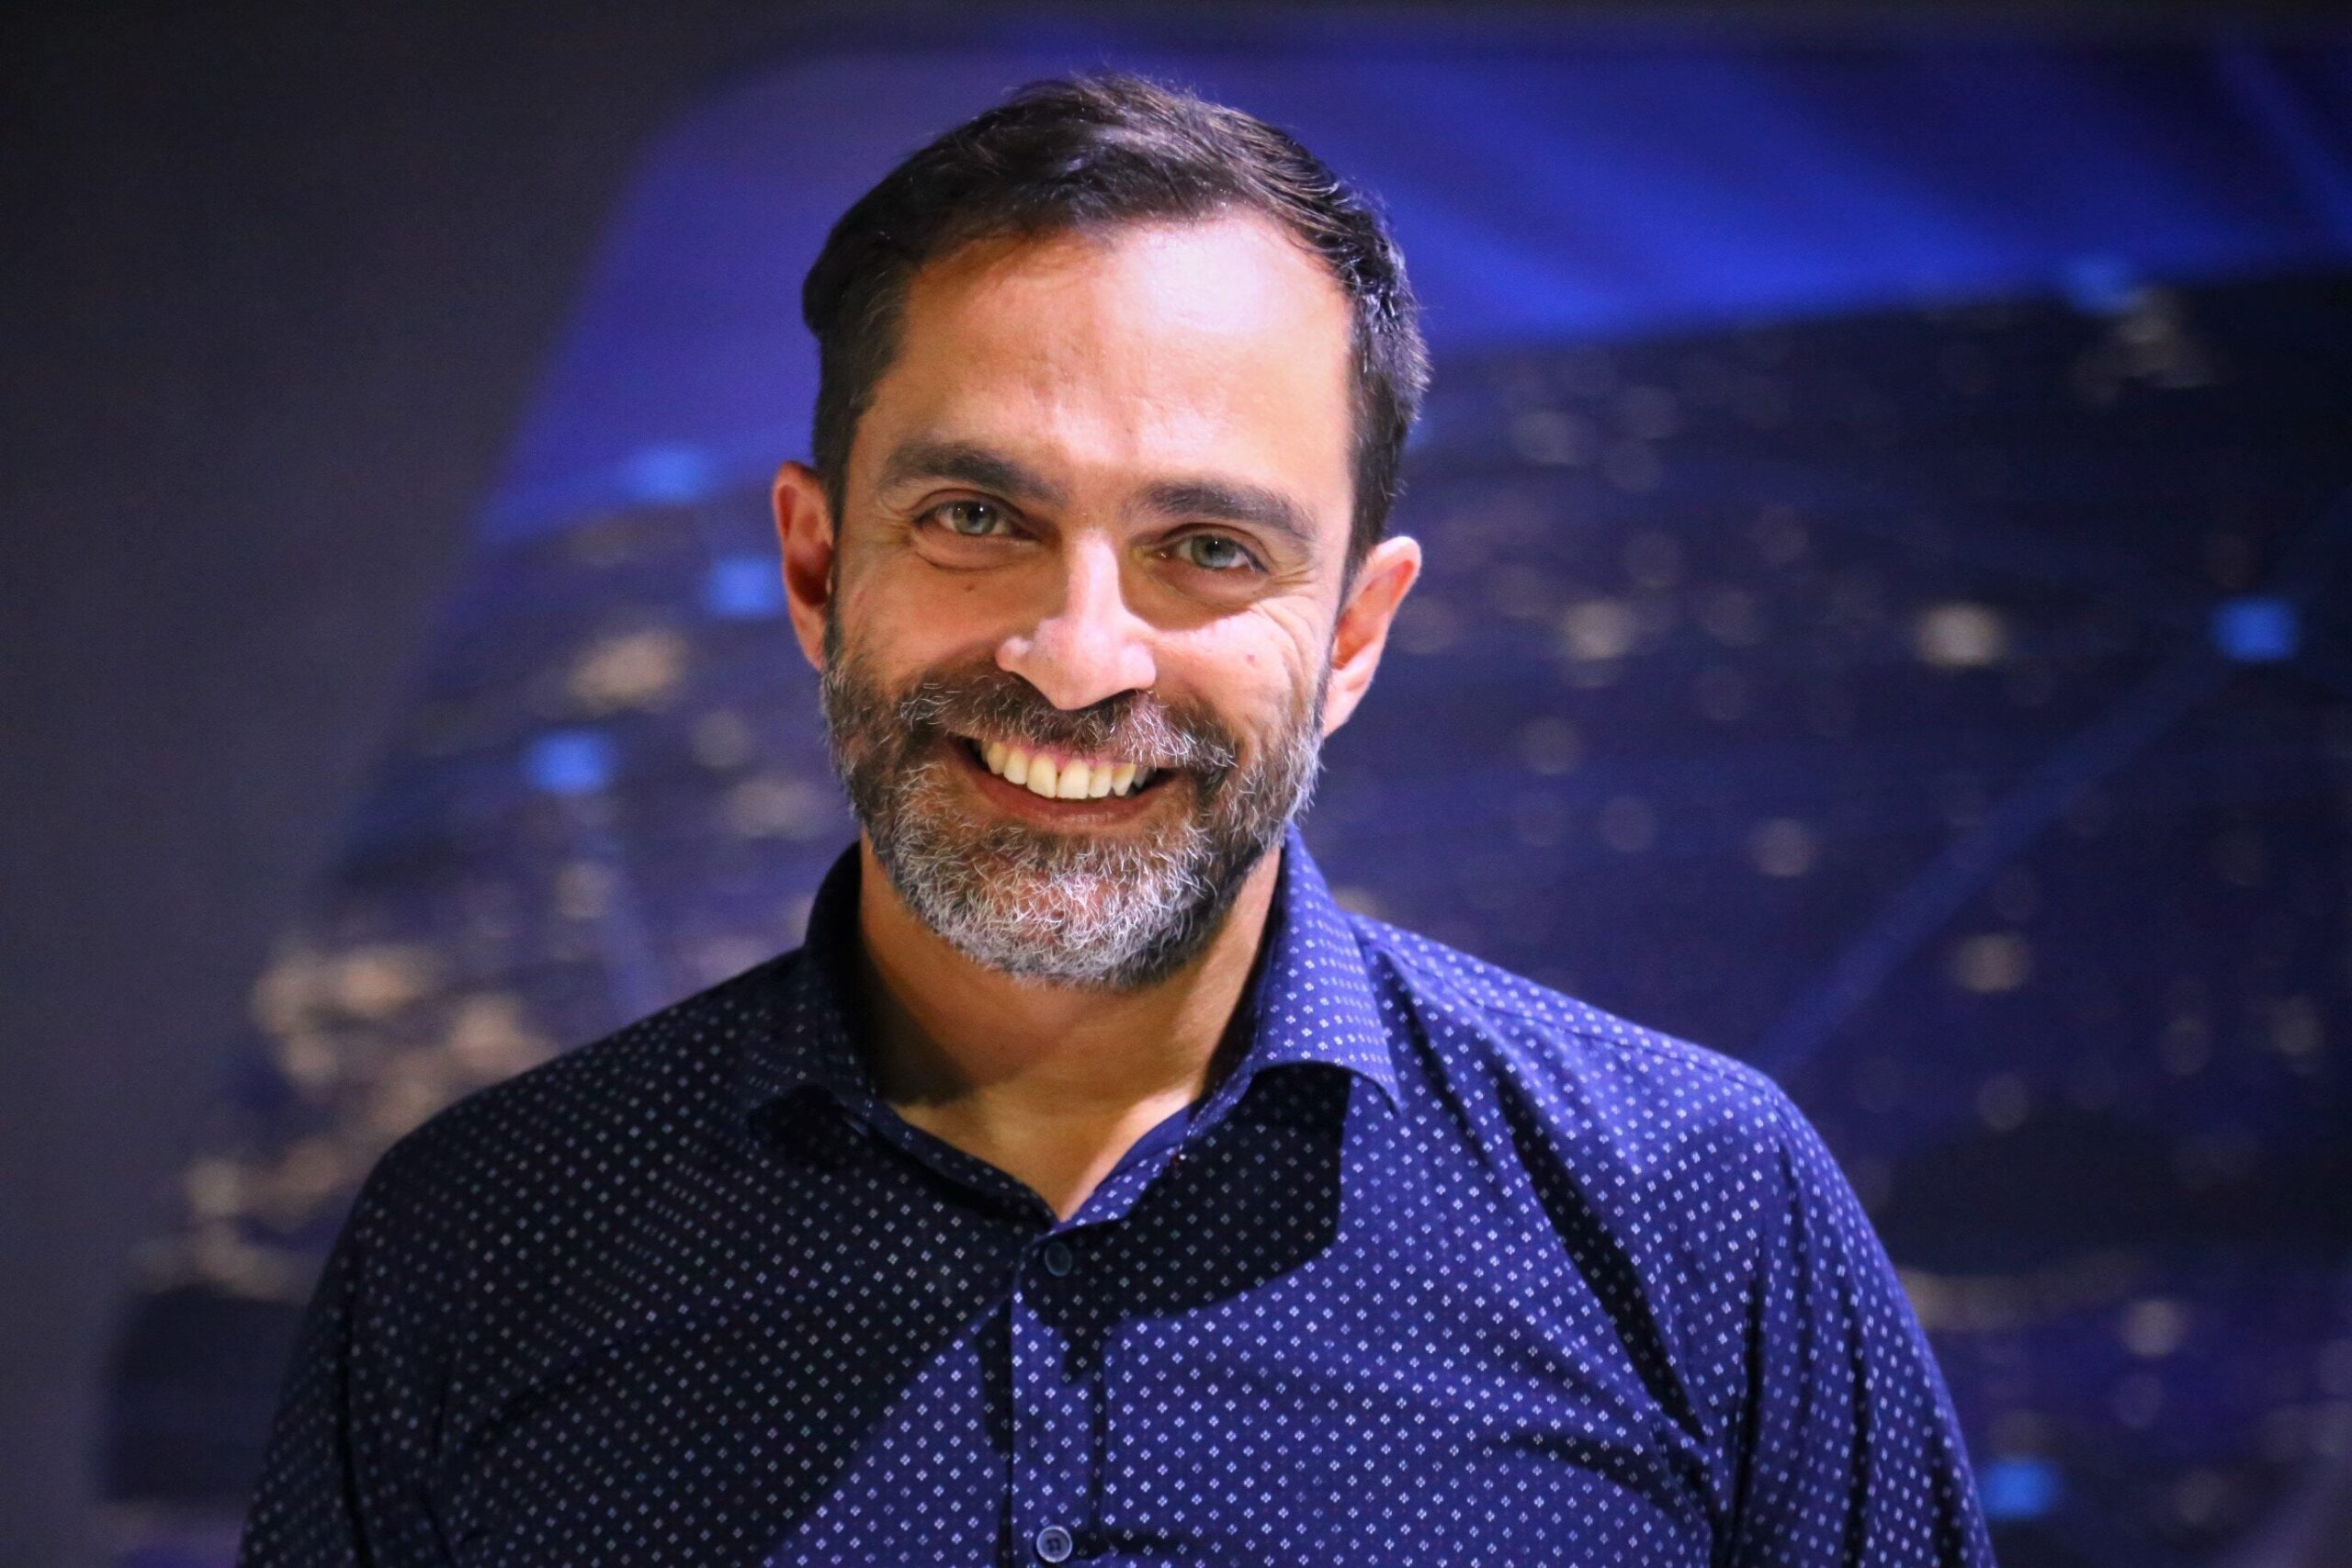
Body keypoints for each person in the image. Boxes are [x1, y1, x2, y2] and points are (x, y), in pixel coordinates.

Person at [238, 73, 1992, 1566]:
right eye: (976, 518)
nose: (1079, 659)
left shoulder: (1696, 1213)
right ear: (818, 566)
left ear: (1354, 637)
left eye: (1208, 551)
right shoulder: (481, 1240)